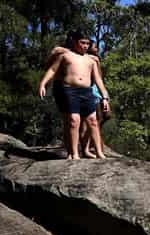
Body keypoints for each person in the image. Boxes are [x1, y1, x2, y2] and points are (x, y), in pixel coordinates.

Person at [38, 30, 109, 160]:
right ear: (75, 42)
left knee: (93, 121)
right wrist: (43, 84)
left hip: (87, 92)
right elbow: (52, 70)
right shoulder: (66, 55)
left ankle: (99, 153)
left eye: (87, 43)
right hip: (69, 90)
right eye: (82, 43)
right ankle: (74, 154)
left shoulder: (91, 60)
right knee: (74, 121)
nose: (85, 46)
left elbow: (98, 79)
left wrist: (105, 97)